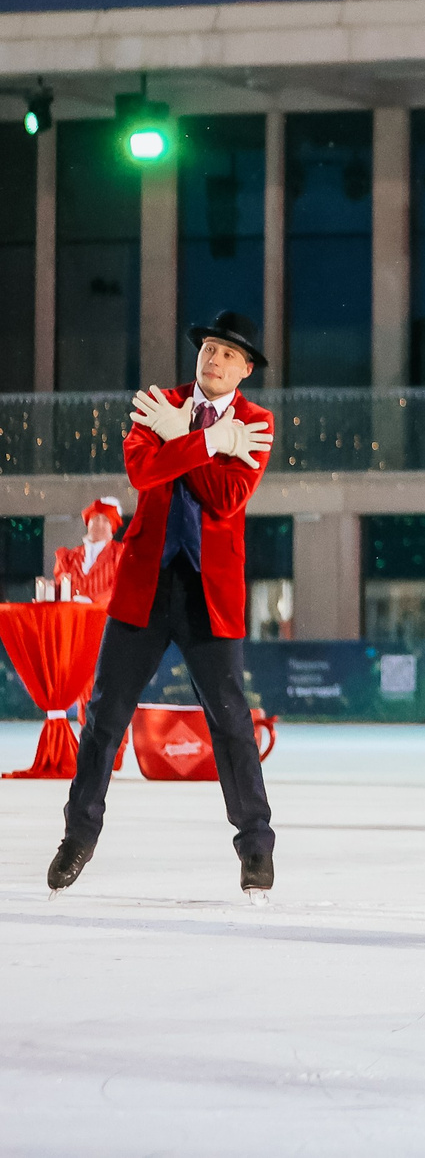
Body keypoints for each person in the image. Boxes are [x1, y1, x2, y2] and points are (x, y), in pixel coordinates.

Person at [49, 313, 277, 897]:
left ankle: (256, 847)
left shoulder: (256, 423)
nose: (215, 359)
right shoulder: (158, 404)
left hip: (210, 594)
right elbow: (142, 472)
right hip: (144, 586)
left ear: (246, 369)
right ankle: (78, 838)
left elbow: (227, 498)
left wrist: (184, 436)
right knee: (103, 716)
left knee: (231, 723)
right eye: (209, 349)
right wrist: (204, 439)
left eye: (229, 354)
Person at [45, 498, 125, 604]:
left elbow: (123, 588)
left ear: (112, 527)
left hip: (105, 617)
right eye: (95, 518)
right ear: (88, 523)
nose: (99, 524)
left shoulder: (121, 553)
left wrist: (92, 600)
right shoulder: (68, 557)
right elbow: (60, 590)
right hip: (74, 617)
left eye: (105, 520)